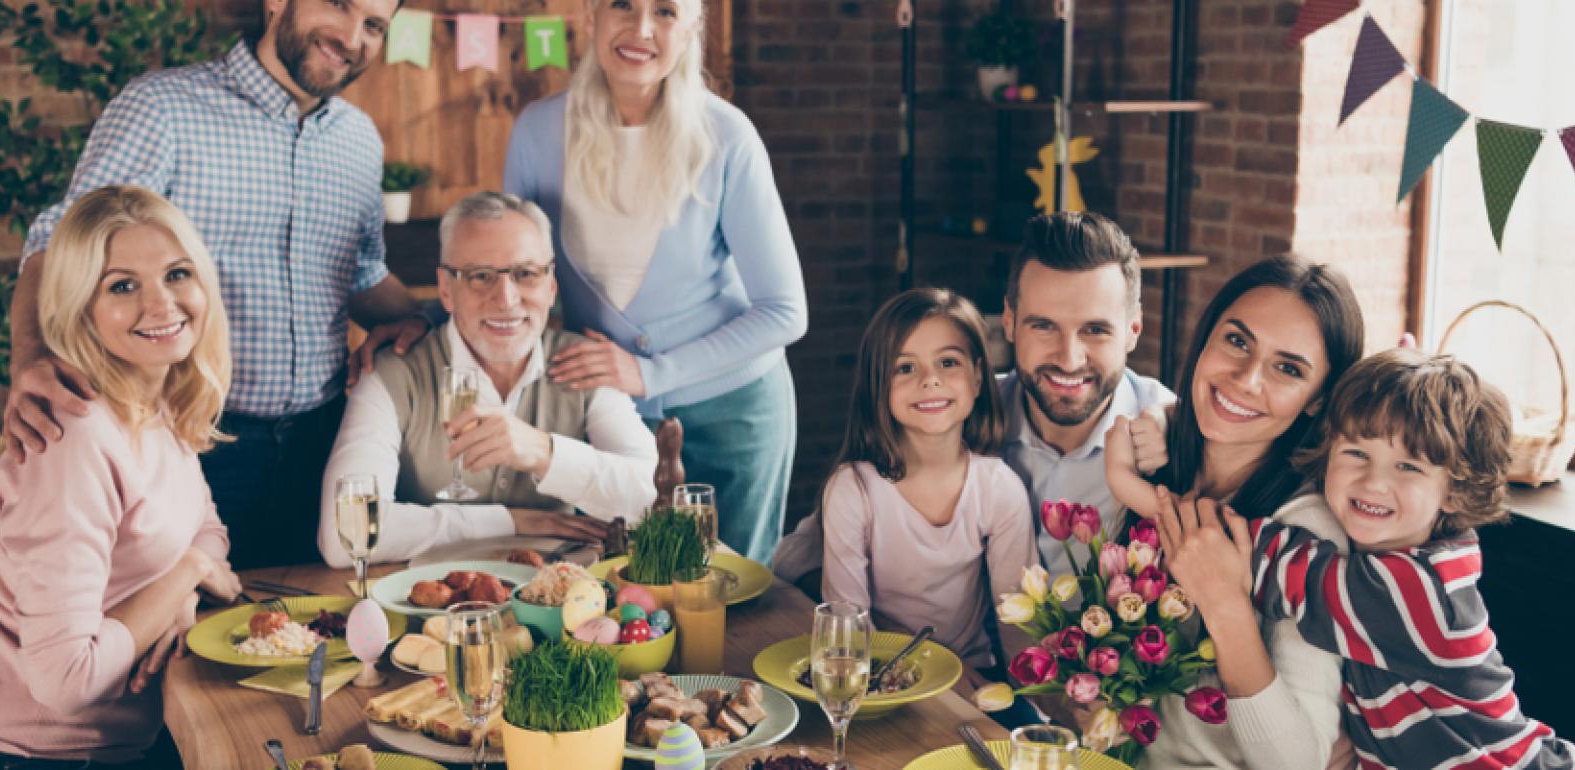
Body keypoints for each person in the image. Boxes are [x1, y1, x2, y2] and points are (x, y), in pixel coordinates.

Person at [2, 0, 424, 570]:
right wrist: (29, 355)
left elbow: (362, 274)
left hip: (322, 441)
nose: (353, 36)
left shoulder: (360, 141)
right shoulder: (162, 108)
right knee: (190, 637)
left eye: (374, 25)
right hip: (193, 438)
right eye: (340, 5)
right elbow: (61, 241)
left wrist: (430, 323)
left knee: (313, 634)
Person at [1158, 349, 1575, 770]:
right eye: (1357, 454)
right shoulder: (1399, 558)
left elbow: (1239, 554)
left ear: (1456, 492)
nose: (1373, 482)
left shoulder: (1419, 593)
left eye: (1409, 467)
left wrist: (1139, 491)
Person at [0, 186, 243, 767]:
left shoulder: (155, 403)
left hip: (111, 748)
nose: (162, 304)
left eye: (177, 274)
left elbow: (206, 527)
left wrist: (177, 597)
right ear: (80, 309)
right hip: (24, 754)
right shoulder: (73, 437)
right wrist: (190, 576)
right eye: (122, 286)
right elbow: (66, 681)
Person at [502, 0, 807, 563]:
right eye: (623, 4)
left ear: (691, 28)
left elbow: (785, 311)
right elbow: (514, 274)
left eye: (665, 12)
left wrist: (649, 372)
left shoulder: (726, 136)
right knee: (619, 596)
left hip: (734, 415)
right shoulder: (538, 132)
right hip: (610, 417)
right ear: (591, 13)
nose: (640, 29)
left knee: (729, 605)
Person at [1103, 256, 1366, 770]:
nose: (1246, 379)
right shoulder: (1159, 465)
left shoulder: (1307, 536)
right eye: (1237, 341)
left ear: (1317, 400)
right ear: (1205, 340)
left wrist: (1225, 606)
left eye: (1288, 369)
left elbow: (1300, 762)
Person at [319, 192, 655, 567]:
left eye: (525, 274)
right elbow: (341, 534)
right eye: (480, 276)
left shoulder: (584, 364)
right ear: (446, 289)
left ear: (551, 285)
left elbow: (650, 498)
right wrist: (510, 521)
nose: (507, 299)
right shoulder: (391, 374)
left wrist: (545, 453)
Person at [819, 288, 1037, 671]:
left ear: (978, 378)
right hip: (878, 674)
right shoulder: (853, 490)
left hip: (974, 677)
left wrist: (1040, 705)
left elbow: (1018, 623)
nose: (929, 380)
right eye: (905, 368)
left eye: (948, 362)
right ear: (878, 387)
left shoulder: (998, 488)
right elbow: (847, 634)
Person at [996, 211, 1177, 571]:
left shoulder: (1180, 430)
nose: (1069, 359)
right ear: (1009, 322)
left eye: (1095, 330)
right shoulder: (962, 415)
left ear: (1133, 330)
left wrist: (1172, 423)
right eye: (1044, 326)